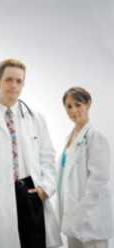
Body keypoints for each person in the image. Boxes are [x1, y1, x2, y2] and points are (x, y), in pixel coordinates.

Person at [0, 59, 62, 248]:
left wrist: (46, 188)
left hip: (31, 191)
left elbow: (48, 157)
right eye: (9, 79)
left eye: (19, 81)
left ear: (23, 84)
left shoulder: (36, 118)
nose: (13, 85)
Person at [57, 87, 113, 248]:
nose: (73, 110)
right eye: (69, 106)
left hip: (90, 220)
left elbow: (99, 181)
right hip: (72, 218)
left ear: (88, 104)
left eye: (78, 104)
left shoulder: (95, 137)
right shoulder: (70, 138)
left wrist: (80, 214)